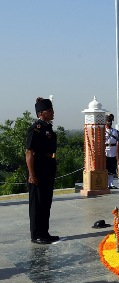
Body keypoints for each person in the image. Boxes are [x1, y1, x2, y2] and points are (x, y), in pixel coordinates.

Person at [26, 97, 59, 244]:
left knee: (46, 202)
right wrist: (32, 174)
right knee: (37, 203)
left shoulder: (48, 128)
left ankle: (44, 232)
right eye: (49, 110)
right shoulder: (36, 130)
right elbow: (29, 153)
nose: (52, 112)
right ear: (41, 113)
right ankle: (36, 235)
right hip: (38, 169)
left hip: (48, 167)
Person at [104, 113, 119, 190]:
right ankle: (106, 184)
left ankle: (111, 183)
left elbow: (117, 141)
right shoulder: (103, 131)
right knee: (106, 168)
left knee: (112, 168)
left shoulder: (115, 131)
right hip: (106, 149)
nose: (109, 122)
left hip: (113, 150)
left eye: (110, 121)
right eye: (108, 121)